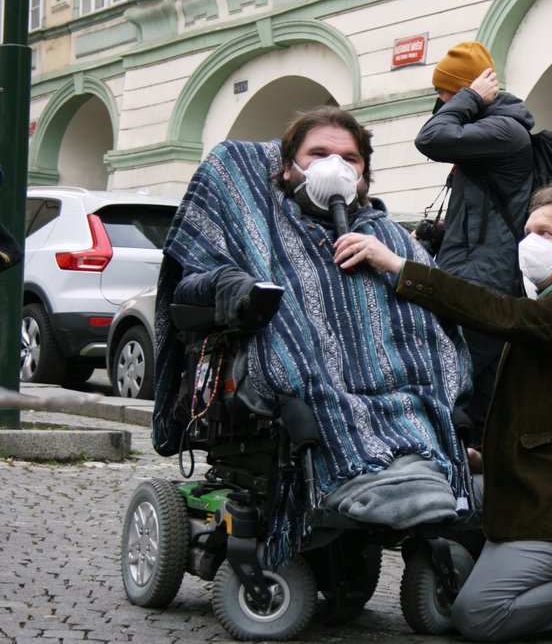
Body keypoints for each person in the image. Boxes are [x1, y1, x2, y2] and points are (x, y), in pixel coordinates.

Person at [152, 106, 472, 560]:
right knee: (298, 351)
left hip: (398, 389)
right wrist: (230, 283)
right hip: (300, 384)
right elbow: (190, 281)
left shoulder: (392, 237)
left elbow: (441, 308)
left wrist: (394, 263)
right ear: (289, 166)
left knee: (425, 350)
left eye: (349, 158)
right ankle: (351, 471)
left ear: (363, 174)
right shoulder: (253, 221)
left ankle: (414, 464)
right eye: (318, 153)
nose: (334, 166)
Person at [334, 182, 552, 641]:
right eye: (527, 230)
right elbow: (548, 416)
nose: (529, 242)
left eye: (544, 232)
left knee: (479, 615)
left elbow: (502, 314)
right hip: (540, 492)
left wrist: (401, 267)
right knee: (450, 492)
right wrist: (488, 455)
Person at [414, 40, 535, 445]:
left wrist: (466, 96)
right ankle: (475, 486)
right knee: (473, 392)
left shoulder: (504, 130)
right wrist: (436, 235)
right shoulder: (481, 132)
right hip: (468, 271)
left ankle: (459, 479)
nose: (442, 101)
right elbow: (477, 217)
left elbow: (430, 138)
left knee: (455, 385)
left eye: (445, 93)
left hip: (485, 280)